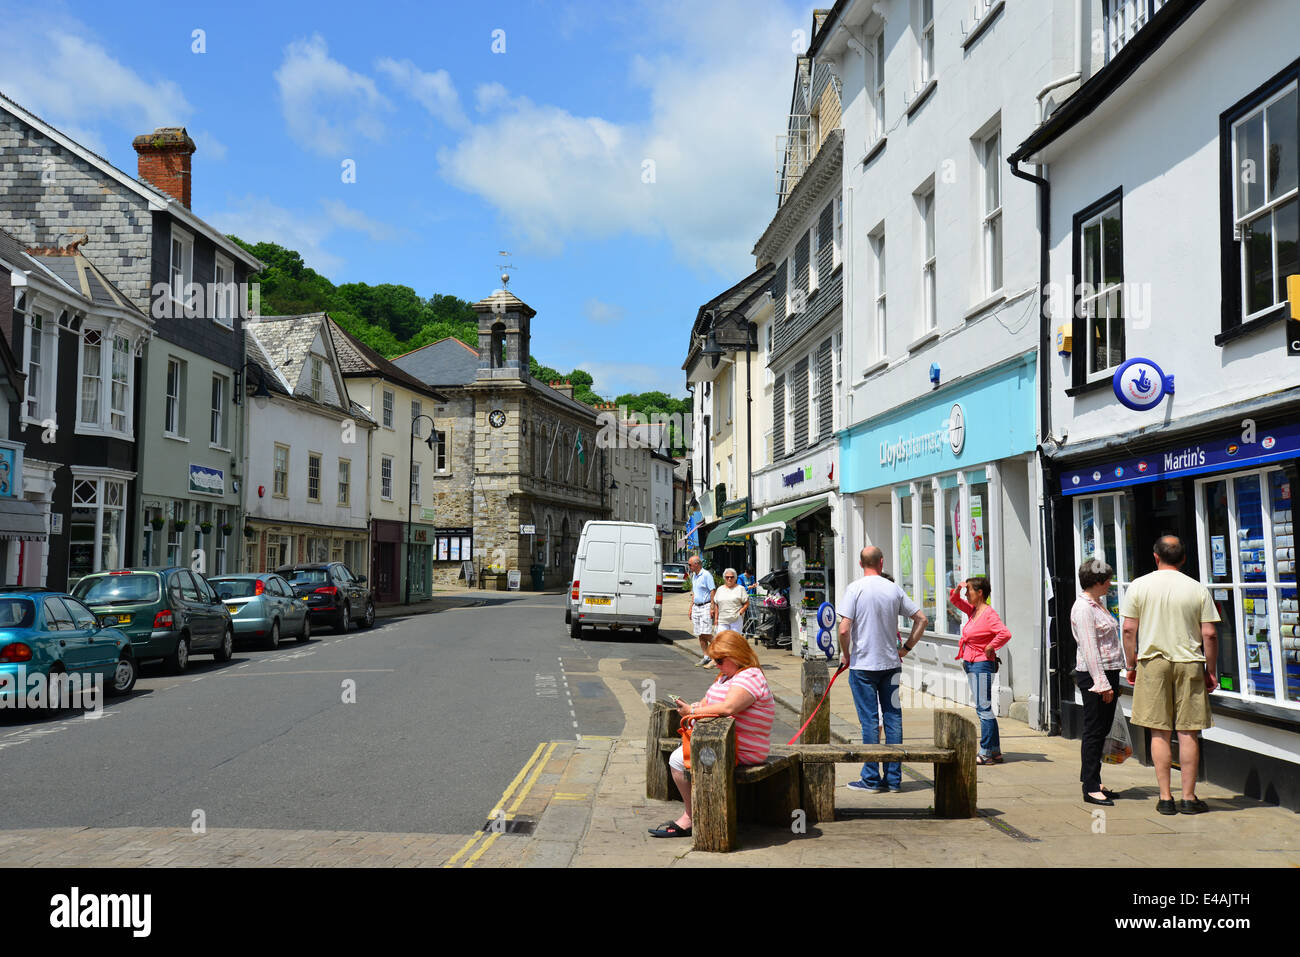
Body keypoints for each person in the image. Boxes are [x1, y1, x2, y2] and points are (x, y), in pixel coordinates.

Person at [1120, 535, 1220, 816]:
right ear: (1184, 558)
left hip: (1153, 662)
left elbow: (1129, 629)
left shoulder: (1139, 586)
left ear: (1156, 556)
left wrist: (1131, 664)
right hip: (1189, 662)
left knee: (1159, 731)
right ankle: (1188, 797)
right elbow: (1209, 634)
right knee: (1188, 731)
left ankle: (1165, 798)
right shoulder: (1197, 588)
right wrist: (1210, 670)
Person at [649, 630, 776, 837]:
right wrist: (696, 707)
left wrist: (692, 712)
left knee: (678, 760)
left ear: (736, 655)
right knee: (680, 758)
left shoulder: (750, 676)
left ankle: (693, 817)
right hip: (723, 743)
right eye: (713, 660)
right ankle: (699, 812)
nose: (716, 665)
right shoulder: (727, 675)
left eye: (719, 660)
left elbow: (728, 708)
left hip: (742, 749)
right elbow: (710, 702)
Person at [837, 546, 927, 793]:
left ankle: (871, 779)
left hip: (863, 665)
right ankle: (894, 779)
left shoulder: (854, 589)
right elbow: (922, 619)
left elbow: (844, 629)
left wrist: (846, 655)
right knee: (893, 719)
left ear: (860, 562)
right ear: (881, 562)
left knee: (870, 721)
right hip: (891, 664)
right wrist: (906, 648)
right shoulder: (893, 589)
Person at [1071, 559, 1126, 806]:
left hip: (1107, 672)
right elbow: (1090, 649)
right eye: (1107, 580)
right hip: (1095, 675)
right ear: (1096, 582)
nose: (1110, 584)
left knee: (1101, 730)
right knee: (1094, 731)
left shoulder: (1097, 604)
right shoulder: (1083, 608)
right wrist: (1102, 684)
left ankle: (1094, 779)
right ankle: (1090, 787)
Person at [949, 576, 1011, 765]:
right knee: (985, 708)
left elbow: (1005, 633)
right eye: (966, 591)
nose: (967, 594)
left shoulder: (988, 613)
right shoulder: (974, 611)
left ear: (980, 592)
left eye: (969, 590)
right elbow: (954, 600)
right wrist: (959, 588)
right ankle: (995, 751)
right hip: (971, 662)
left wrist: (992, 646)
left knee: (983, 708)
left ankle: (985, 752)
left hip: (982, 664)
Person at [686, 555, 716, 667]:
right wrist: (690, 608)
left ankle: (720, 651)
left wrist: (712, 607)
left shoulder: (706, 575)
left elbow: (712, 591)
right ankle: (706, 656)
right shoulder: (694, 576)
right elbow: (695, 593)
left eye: (690, 564)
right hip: (696, 607)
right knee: (700, 633)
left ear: (696, 564)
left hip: (705, 606)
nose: (689, 567)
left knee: (706, 633)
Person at [712, 568, 749, 635]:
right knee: (722, 640)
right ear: (724, 578)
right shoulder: (720, 589)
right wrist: (716, 619)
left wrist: (741, 612)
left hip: (736, 620)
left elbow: (746, 603)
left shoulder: (740, 589)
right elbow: (716, 604)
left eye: (732, 577)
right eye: (727, 577)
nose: (729, 579)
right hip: (722, 620)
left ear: (735, 578)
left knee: (734, 641)